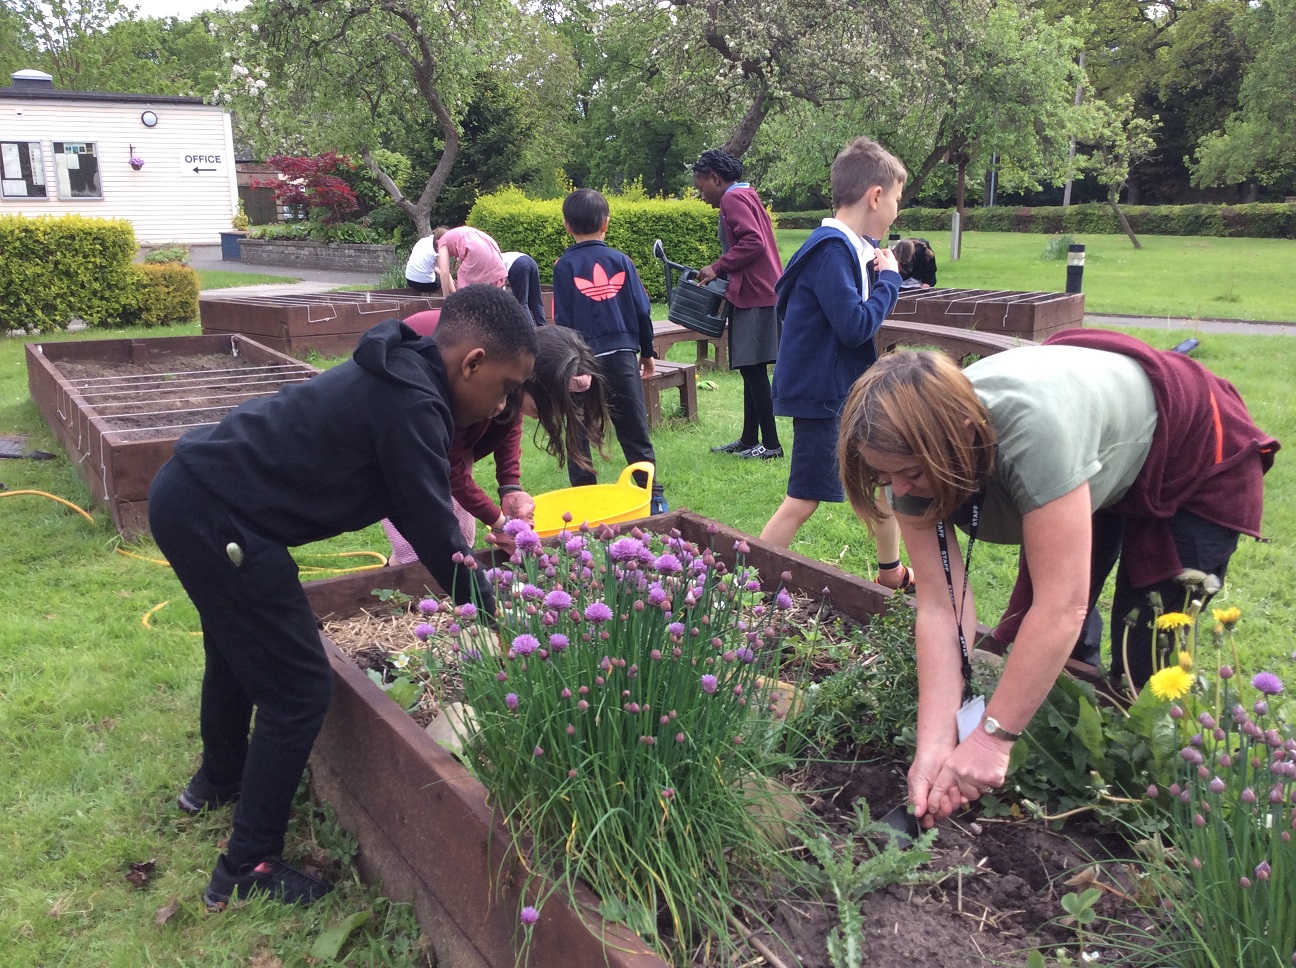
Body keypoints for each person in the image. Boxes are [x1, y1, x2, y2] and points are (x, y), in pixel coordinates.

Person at [149, 286, 538, 909]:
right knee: (299, 687)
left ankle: (219, 780)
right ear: (471, 362)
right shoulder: (412, 405)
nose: (503, 407)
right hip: (217, 515)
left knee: (236, 647)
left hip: (196, 495)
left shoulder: (407, 376)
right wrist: (500, 616)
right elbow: (435, 531)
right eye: (504, 387)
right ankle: (247, 866)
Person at [837, 333, 1279, 828]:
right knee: (1046, 646)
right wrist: (933, 743)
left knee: (1147, 655)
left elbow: (1062, 606)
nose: (898, 491)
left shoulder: (1034, 437)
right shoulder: (914, 456)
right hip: (1090, 450)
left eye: (911, 473)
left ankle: (1159, 813)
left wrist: (991, 739)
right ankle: (1071, 754)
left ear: (960, 435)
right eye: (883, 478)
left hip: (1190, 451)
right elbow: (941, 607)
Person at [759, 136, 913, 592]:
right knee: (803, 499)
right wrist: (889, 281)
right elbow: (854, 326)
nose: (897, 213)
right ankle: (745, 583)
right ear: (876, 196)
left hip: (845, 393)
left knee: (885, 481)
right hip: (824, 398)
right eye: (898, 201)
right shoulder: (831, 249)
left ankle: (892, 574)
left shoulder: (846, 249)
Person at [382, 323, 609, 561]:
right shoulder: (465, 386)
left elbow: (510, 420)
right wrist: (500, 525)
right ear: (528, 377)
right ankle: (404, 582)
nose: (552, 416)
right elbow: (450, 466)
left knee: (459, 535)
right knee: (421, 542)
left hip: (449, 443)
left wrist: (510, 486)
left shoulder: (508, 384)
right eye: (550, 406)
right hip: (403, 438)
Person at [552, 188, 667, 515]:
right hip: (621, 356)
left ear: (566, 225)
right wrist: (646, 353)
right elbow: (642, 311)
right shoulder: (621, 261)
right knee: (633, 426)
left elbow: (563, 320)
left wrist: (569, 366)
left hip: (580, 359)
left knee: (578, 427)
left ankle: (584, 497)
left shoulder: (565, 266)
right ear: (606, 223)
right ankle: (652, 496)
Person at [693, 149, 784, 460]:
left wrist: (717, 267)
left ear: (716, 179)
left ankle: (771, 445)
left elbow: (753, 241)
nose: (701, 195)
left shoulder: (733, 199)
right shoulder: (745, 194)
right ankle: (748, 440)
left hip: (756, 293)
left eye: (701, 187)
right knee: (750, 367)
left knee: (753, 369)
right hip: (756, 291)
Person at [434, 225, 508, 292]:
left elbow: (444, 273)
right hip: (491, 248)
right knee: (487, 288)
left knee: (464, 284)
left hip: (476, 251)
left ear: (437, 242)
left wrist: (446, 298)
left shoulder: (442, 242)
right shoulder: (458, 233)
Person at [503, 251, 548, 326]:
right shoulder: (500, 256)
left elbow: (501, 286)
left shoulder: (493, 265)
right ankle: (544, 329)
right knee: (536, 300)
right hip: (530, 261)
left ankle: (531, 332)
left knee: (522, 303)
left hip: (517, 265)